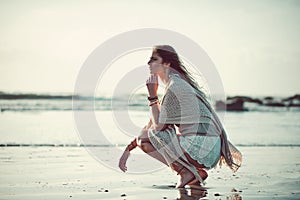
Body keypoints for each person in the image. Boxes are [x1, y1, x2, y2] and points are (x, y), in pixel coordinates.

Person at [119, 45, 242, 188]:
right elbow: (152, 124)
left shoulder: (175, 86)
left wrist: (152, 96)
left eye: (154, 59)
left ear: (167, 63)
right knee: (146, 136)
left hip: (201, 148)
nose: (148, 63)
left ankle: (186, 172)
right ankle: (195, 172)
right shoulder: (178, 83)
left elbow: (158, 127)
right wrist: (128, 149)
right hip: (210, 149)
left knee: (146, 140)